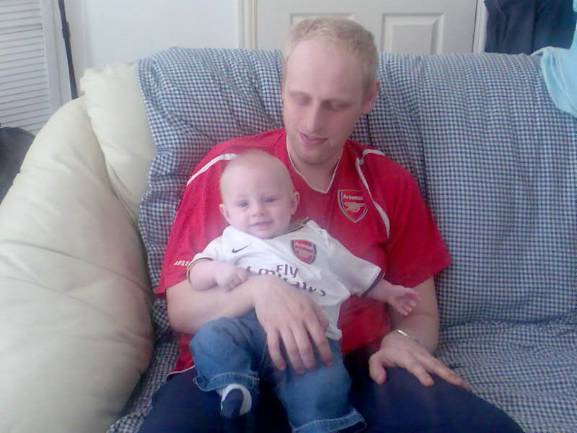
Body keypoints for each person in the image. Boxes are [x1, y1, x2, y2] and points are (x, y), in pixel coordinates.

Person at [138, 17, 525, 433]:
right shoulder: (230, 173)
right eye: (299, 98)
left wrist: (403, 341)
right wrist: (259, 292)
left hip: (354, 363)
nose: (312, 123)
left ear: (368, 98)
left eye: (335, 105)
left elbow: (420, 309)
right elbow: (182, 309)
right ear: (282, 85)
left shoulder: (388, 181)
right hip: (234, 366)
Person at [188, 151, 419, 432]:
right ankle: (233, 385)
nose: (257, 211)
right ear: (226, 213)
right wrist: (215, 270)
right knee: (211, 337)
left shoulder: (316, 239)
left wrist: (390, 292)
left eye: (269, 199)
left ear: (292, 202)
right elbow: (196, 273)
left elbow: (357, 273)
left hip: (310, 338)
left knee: (325, 385)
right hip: (247, 328)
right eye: (243, 204)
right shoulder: (228, 241)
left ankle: (323, 424)